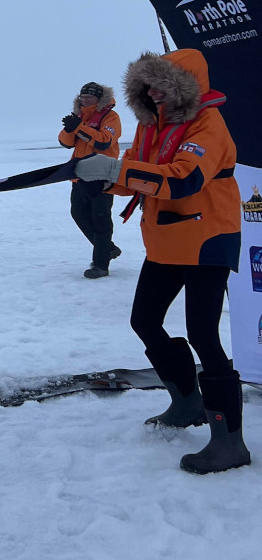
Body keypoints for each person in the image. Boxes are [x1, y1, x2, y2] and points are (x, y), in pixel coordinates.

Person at [74, 49, 249, 474]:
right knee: (144, 321)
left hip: (208, 237)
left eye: (161, 83)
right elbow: (139, 172)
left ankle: (230, 443)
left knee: (203, 334)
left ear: (184, 85)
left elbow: (184, 177)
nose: (152, 92)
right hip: (167, 240)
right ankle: (187, 400)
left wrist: (114, 170)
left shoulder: (209, 125)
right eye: (147, 84)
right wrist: (101, 174)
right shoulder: (152, 124)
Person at [60, 82, 123, 279]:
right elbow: (64, 143)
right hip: (79, 176)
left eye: (89, 97)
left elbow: (104, 141)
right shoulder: (79, 117)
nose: (85, 100)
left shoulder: (111, 117)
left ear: (99, 99)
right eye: (82, 96)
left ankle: (100, 265)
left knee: (101, 219)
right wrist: (72, 127)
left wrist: (78, 127)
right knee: (78, 213)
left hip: (102, 177)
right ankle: (108, 249)